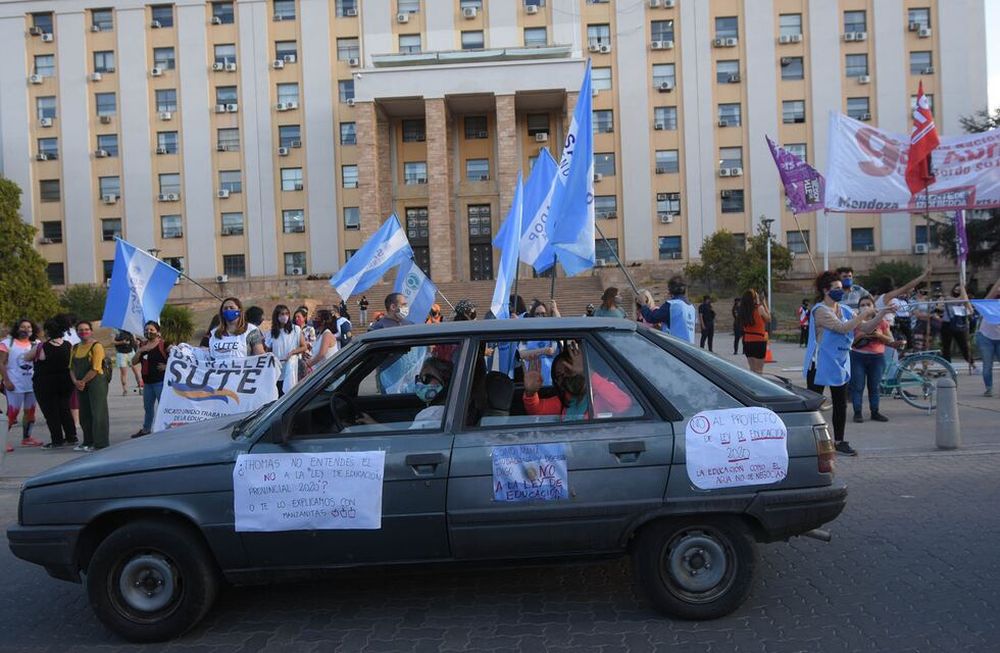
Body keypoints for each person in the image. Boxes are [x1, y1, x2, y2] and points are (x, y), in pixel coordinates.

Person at [803, 271, 893, 457]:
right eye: (836, 288)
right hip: (819, 363)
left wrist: (883, 312)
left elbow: (867, 327)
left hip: (839, 362)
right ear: (825, 290)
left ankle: (839, 441)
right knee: (813, 405)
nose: (840, 291)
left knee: (840, 404)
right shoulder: (819, 310)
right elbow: (841, 327)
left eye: (841, 288)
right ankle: (810, 442)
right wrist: (864, 313)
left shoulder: (843, 310)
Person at [523, 341, 633, 420]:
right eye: (560, 375)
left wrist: (588, 373)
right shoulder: (564, 401)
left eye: (569, 369)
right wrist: (530, 392)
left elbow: (623, 405)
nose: (567, 376)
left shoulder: (600, 393)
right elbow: (537, 411)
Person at [26, 317, 77, 448]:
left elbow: (27, 357)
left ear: (48, 331)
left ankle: (57, 439)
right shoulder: (68, 345)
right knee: (65, 409)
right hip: (65, 382)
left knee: (51, 412)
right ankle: (72, 436)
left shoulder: (42, 347)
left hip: (45, 384)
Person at [850, 296, 897, 424]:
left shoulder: (881, 322)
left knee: (875, 387)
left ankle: (875, 412)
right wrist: (861, 336)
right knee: (858, 386)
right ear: (859, 308)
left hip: (877, 357)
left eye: (868, 304)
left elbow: (890, 340)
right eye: (862, 304)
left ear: (874, 307)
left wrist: (878, 335)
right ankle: (857, 412)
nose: (865, 307)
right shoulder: (855, 321)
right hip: (858, 356)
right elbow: (848, 342)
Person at [1, 318, 42, 450]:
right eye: (23, 327)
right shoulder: (7, 343)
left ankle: (27, 438)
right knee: (13, 413)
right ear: (17, 328)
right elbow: (1, 363)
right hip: (14, 383)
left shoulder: (37, 343)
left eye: (29, 327)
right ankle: (2, 441)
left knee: (30, 412)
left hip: (32, 383)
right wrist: (6, 380)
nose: (26, 330)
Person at [69, 321, 109, 451]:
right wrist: (75, 381)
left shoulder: (96, 346)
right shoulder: (75, 348)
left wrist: (82, 382)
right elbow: (71, 367)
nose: (83, 332)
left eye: (86, 329)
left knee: (98, 413)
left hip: (96, 382)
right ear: (77, 332)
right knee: (84, 413)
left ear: (91, 331)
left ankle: (100, 443)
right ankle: (87, 441)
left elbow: (96, 368)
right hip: (81, 384)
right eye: (80, 330)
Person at [131, 321, 171, 438]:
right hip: (147, 383)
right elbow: (133, 362)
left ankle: (166, 429)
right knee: (148, 408)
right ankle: (146, 429)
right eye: (147, 329)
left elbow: (177, 358)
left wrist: (166, 366)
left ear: (157, 332)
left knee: (163, 407)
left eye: (151, 330)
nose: (149, 332)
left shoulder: (164, 344)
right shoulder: (142, 345)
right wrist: (139, 351)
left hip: (160, 382)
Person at [638, 276, 696, 344]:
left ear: (670, 290)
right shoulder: (691, 308)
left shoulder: (672, 305)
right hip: (689, 347)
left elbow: (651, 317)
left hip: (675, 346)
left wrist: (643, 304)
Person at [265, 305, 308, 396]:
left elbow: (304, 347)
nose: (285, 316)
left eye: (287, 313)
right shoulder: (271, 333)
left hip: (293, 368)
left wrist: (292, 352)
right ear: (277, 316)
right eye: (282, 314)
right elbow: (267, 352)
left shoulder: (296, 329)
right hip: (278, 370)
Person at [940, 283, 975, 372]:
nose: (957, 292)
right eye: (956, 290)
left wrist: (964, 295)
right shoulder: (948, 298)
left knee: (964, 346)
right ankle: (948, 367)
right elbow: (958, 300)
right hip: (947, 324)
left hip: (959, 325)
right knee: (946, 347)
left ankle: (973, 364)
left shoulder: (965, 300)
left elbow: (971, 311)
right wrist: (963, 291)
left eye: (959, 291)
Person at [976, 278, 1000, 397]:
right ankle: (989, 388)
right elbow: (992, 293)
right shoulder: (988, 303)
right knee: (987, 365)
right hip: (986, 337)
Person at [739, 290, 771, 374]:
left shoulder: (743, 311)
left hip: (747, 341)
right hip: (758, 341)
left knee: (752, 370)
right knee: (759, 371)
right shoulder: (759, 308)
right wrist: (764, 303)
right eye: (757, 296)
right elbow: (768, 318)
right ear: (753, 299)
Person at [112, 329, 142, 395]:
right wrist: (122, 342)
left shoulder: (130, 329)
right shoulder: (116, 330)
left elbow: (134, 340)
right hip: (121, 354)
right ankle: (125, 390)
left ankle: (141, 388)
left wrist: (137, 342)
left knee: (136, 371)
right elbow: (113, 341)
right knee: (123, 373)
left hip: (131, 353)